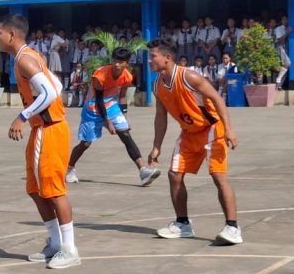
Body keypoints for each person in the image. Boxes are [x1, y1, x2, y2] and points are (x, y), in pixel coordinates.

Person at [0, 15, 79, 269]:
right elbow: (57, 84)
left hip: (51, 129)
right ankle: (54, 243)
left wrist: (23, 115)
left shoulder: (25, 59)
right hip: (41, 130)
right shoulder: (26, 56)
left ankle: (69, 249)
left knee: (54, 190)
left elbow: (50, 92)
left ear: (11, 34)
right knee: (34, 188)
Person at [147, 39, 241, 244]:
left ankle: (233, 227)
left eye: (153, 56)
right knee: (174, 175)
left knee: (218, 176)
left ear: (167, 58)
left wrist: (229, 130)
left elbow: (217, 98)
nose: (149, 60)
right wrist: (156, 146)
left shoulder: (188, 76)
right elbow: (160, 117)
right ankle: (183, 224)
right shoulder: (157, 85)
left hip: (212, 129)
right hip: (189, 133)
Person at [65, 48, 161, 187]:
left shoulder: (127, 76)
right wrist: (107, 122)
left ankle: (143, 171)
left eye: (120, 61)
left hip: (111, 105)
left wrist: (125, 116)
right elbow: (98, 100)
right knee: (85, 143)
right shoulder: (100, 75)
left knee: (126, 135)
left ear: (126, 64)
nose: (116, 64)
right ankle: (69, 169)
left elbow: (122, 96)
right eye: (115, 60)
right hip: (93, 107)